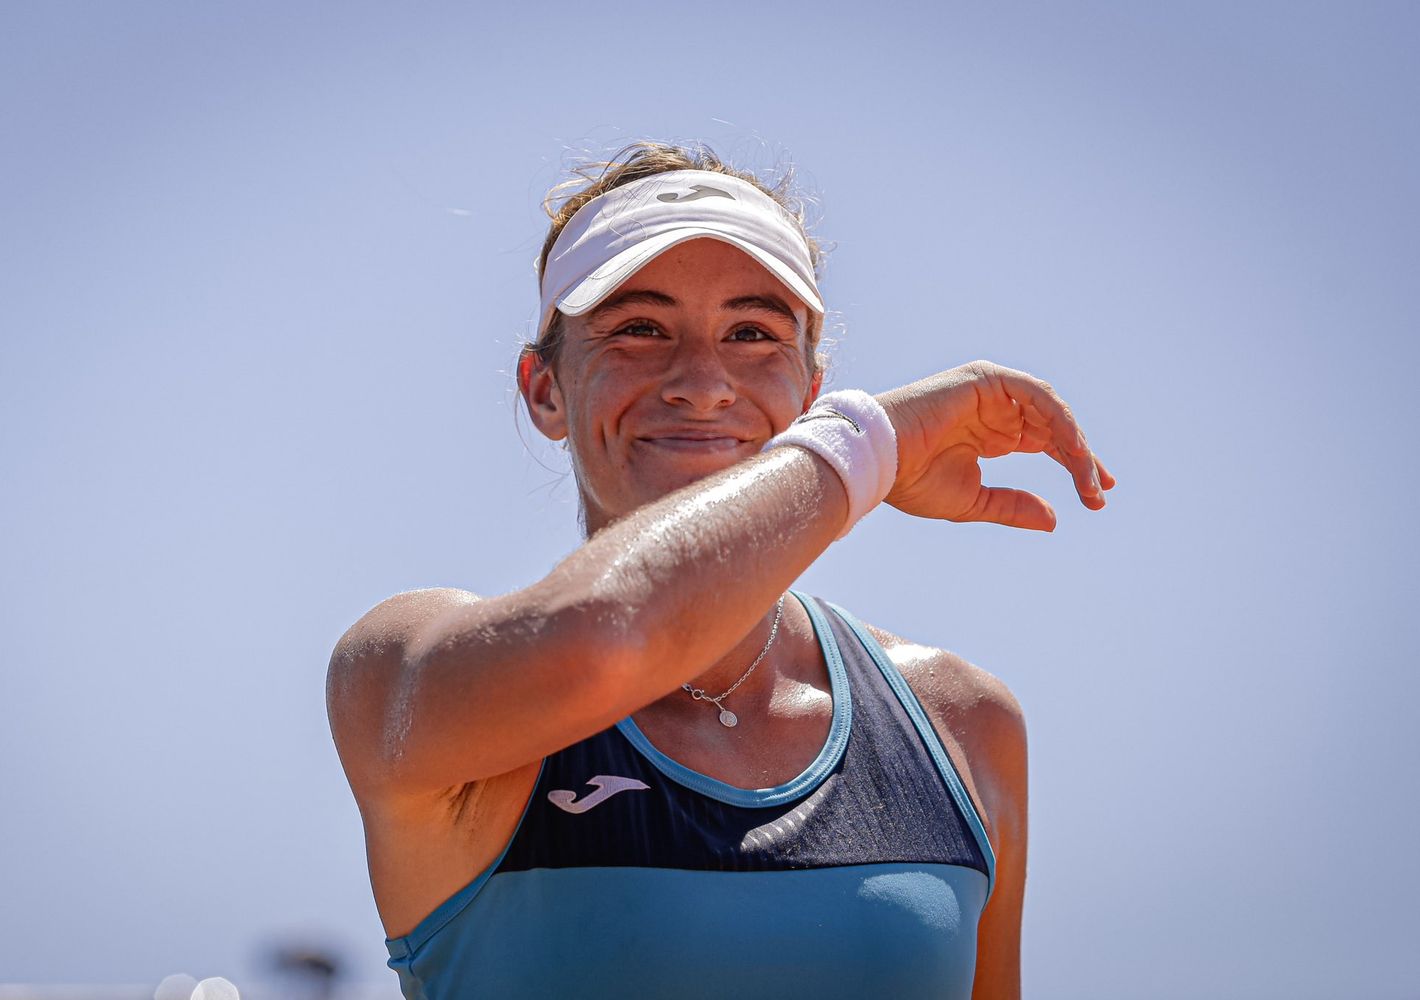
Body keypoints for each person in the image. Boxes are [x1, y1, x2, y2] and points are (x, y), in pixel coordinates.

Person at [326, 142, 1114, 999]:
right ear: (544, 389)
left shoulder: (962, 721)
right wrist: (875, 443)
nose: (702, 384)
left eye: (753, 334)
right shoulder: (405, 672)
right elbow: (610, 640)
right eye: (638, 328)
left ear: (810, 393)